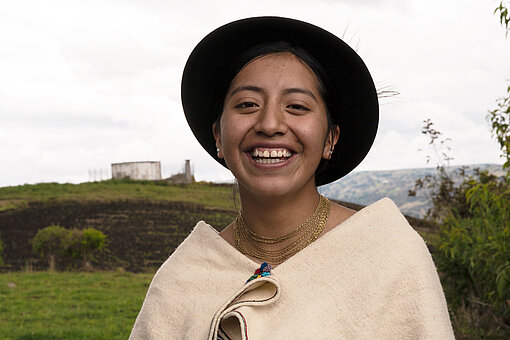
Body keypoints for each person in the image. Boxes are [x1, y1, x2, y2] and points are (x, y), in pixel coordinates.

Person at [130, 17, 455, 339]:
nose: (270, 124)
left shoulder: (387, 256)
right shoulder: (182, 280)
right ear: (218, 135)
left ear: (330, 139)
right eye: (247, 104)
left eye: (297, 106)